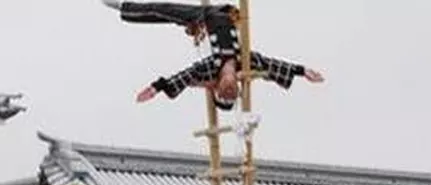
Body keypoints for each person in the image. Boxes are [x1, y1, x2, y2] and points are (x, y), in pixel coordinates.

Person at [100, 1, 323, 110]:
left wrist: (156, 88)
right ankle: (124, 9)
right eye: (231, 96)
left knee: (159, 11)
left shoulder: (209, 69)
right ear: (238, 89)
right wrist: (303, 71)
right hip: (223, 12)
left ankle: (122, 6)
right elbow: (272, 66)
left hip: (200, 19)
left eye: (222, 96)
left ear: (215, 89)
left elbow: (184, 77)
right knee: (161, 13)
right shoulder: (245, 61)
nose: (228, 93)